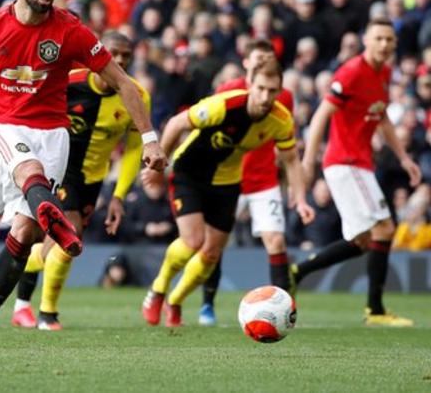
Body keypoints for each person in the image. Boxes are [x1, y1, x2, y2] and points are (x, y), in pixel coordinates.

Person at [0, 0, 163, 349]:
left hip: (53, 134)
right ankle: (54, 213)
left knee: (26, 232)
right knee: (27, 171)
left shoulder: (71, 32)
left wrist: (151, 138)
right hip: (2, 123)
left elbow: (124, 83)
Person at [0, 32, 152, 331]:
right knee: (70, 235)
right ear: (100, 53)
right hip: (59, 167)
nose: (119, 61)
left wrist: (118, 194)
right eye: (113, 53)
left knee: (44, 242)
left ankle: (0, 271)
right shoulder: (69, 81)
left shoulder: (136, 95)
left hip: (94, 178)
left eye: (126, 56)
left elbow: (133, 149)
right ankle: (47, 315)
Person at [141, 57, 314, 328]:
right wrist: (157, 165)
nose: (265, 96)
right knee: (193, 240)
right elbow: (176, 124)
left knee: (211, 253)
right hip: (190, 173)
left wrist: (301, 198)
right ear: (250, 85)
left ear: (280, 91)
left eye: (272, 91)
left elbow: (291, 160)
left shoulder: (281, 120)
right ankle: (158, 288)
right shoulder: (224, 105)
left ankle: (174, 301)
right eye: (261, 88)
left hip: (228, 182)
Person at [296, 18, 421, 327]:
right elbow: (321, 114)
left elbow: (382, 119)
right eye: (378, 38)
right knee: (385, 229)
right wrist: (309, 161)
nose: (384, 45)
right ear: (366, 40)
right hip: (346, 162)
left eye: (389, 40)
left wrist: (404, 157)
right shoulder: (351, 72)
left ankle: (298, 272)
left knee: (364, 239)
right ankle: (375, 310)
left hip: (360, 164)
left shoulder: (385, 73)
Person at [198, 39, 295, 326]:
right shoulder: (228, 91)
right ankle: (207, 305)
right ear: (247, 63)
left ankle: (287, 311)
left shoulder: (284, 97)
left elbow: (288, 144)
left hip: (264, 180)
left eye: (268, 59)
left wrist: (293, 187)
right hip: (228, 178)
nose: (262, 63)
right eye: (257, 59)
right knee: (215, 244)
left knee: (276, 240)